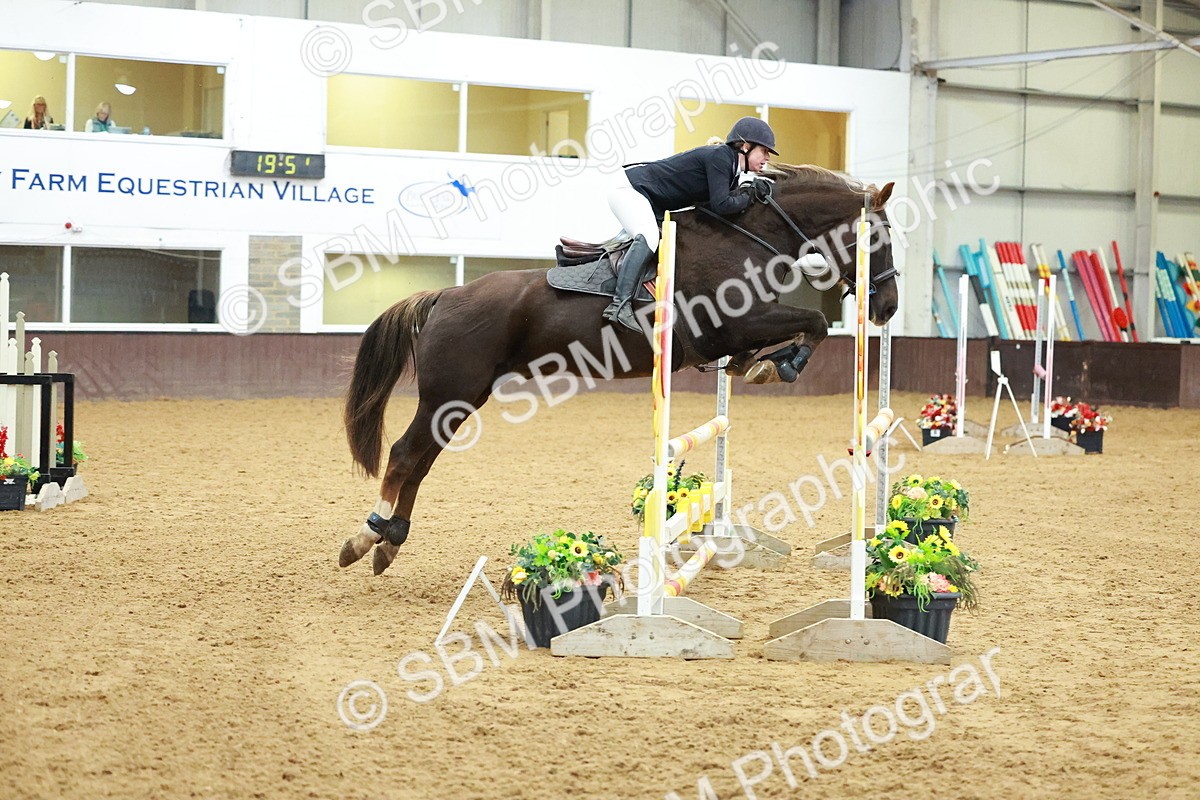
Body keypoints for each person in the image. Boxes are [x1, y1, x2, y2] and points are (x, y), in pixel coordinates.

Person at [602, 116, 777, 331]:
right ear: (746, 146)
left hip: (649, 199)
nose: (767, 158)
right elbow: (722, 205)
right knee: (649, 237)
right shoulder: (722, 157)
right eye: (765, 151)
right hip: (629, 189)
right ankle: (619, 305)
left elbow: (715, 210)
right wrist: (750, 195)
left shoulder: (731, 170)